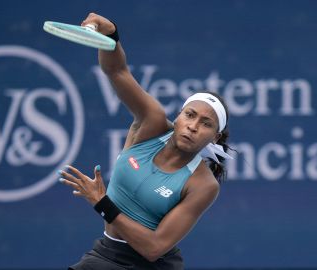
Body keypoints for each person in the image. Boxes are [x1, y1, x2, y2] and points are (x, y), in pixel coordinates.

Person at [58, 13, 233, 270]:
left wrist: (102, 202)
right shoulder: (151, 124)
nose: (193, 127)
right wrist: (111, 35)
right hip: (105, 253)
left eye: (206, 124)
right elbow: (117, 70)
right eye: (190, 115)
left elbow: (153, 248)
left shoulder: (203, 184)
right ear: (180, 115)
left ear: (214, 137)